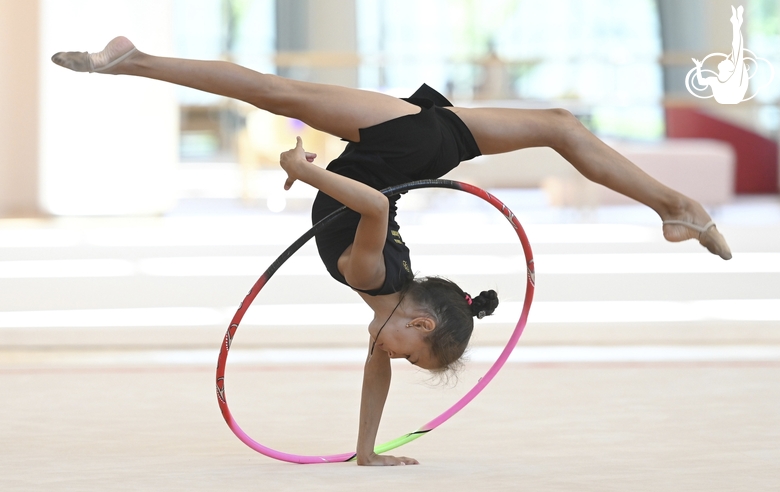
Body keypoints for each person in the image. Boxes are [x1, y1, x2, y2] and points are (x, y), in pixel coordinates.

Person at [51, 37, 732, 466]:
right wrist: (306, 169)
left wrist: (368, 451)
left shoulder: (390, 301)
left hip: (408, 148)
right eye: (405, 353)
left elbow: (374, 371)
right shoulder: (369, 274)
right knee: (275, 92)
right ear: (420, 322)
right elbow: (373, 204)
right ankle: (132, 61)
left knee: (558, 126)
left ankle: (681, 209)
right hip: (396, 154)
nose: (387, 357)